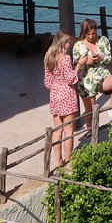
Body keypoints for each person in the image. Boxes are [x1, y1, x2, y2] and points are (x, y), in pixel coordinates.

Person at [72, 18, 112, 129]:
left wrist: (102, 58)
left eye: (93, 33)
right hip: (86, 81)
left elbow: (109, 59)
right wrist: (86, 62)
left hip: (102, 76)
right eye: (88, 34)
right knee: (91, 113)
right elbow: (75, 65)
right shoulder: (78, 45)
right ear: (83, 33)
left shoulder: (103, 40)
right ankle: (91, 133)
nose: (91, 36)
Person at [43, 30, 83, 170]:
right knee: (68, 131)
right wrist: (78, 66)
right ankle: (68, 159)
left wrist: (56, 87)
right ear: (63, 43)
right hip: (66, 94)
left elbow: (47, 82)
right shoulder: (65, 59)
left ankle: (58, 160)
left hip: (54, 94)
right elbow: (70, 79)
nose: (70, 45)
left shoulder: (48, 56)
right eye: (69, 42)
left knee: (57, 130)